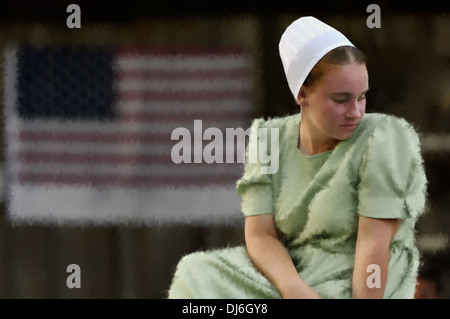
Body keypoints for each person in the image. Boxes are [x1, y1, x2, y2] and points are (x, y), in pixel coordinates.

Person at [167, 16, 427, 299]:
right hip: (295, 271)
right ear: (303, 93)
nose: (356, 111)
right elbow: (261, 234)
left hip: (357, 275)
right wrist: (294, 289)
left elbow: (374, 243)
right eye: (341, 99)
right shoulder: (268, 138)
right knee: (194, 272)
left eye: (362, 97)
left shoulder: (385, 137)